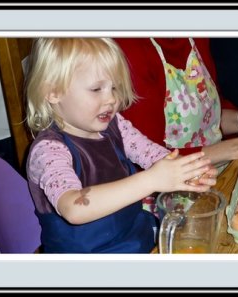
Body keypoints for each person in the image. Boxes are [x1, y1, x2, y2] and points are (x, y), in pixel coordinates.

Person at [24, 38, 217, 253]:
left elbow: (152, 154)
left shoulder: (116, 125)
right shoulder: (49, 150)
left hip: (134, 237)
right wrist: (152, 179)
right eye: (96, 89)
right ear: (53, 92)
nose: (111, 100)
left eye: (114, 87)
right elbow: (73, 208)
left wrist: (186, 171)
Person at [114, 38, 238, 166]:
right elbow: (153, 159)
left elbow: (205, 115)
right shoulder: (129, 49)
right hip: (168, 195)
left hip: (214, 172)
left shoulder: (195, 38)